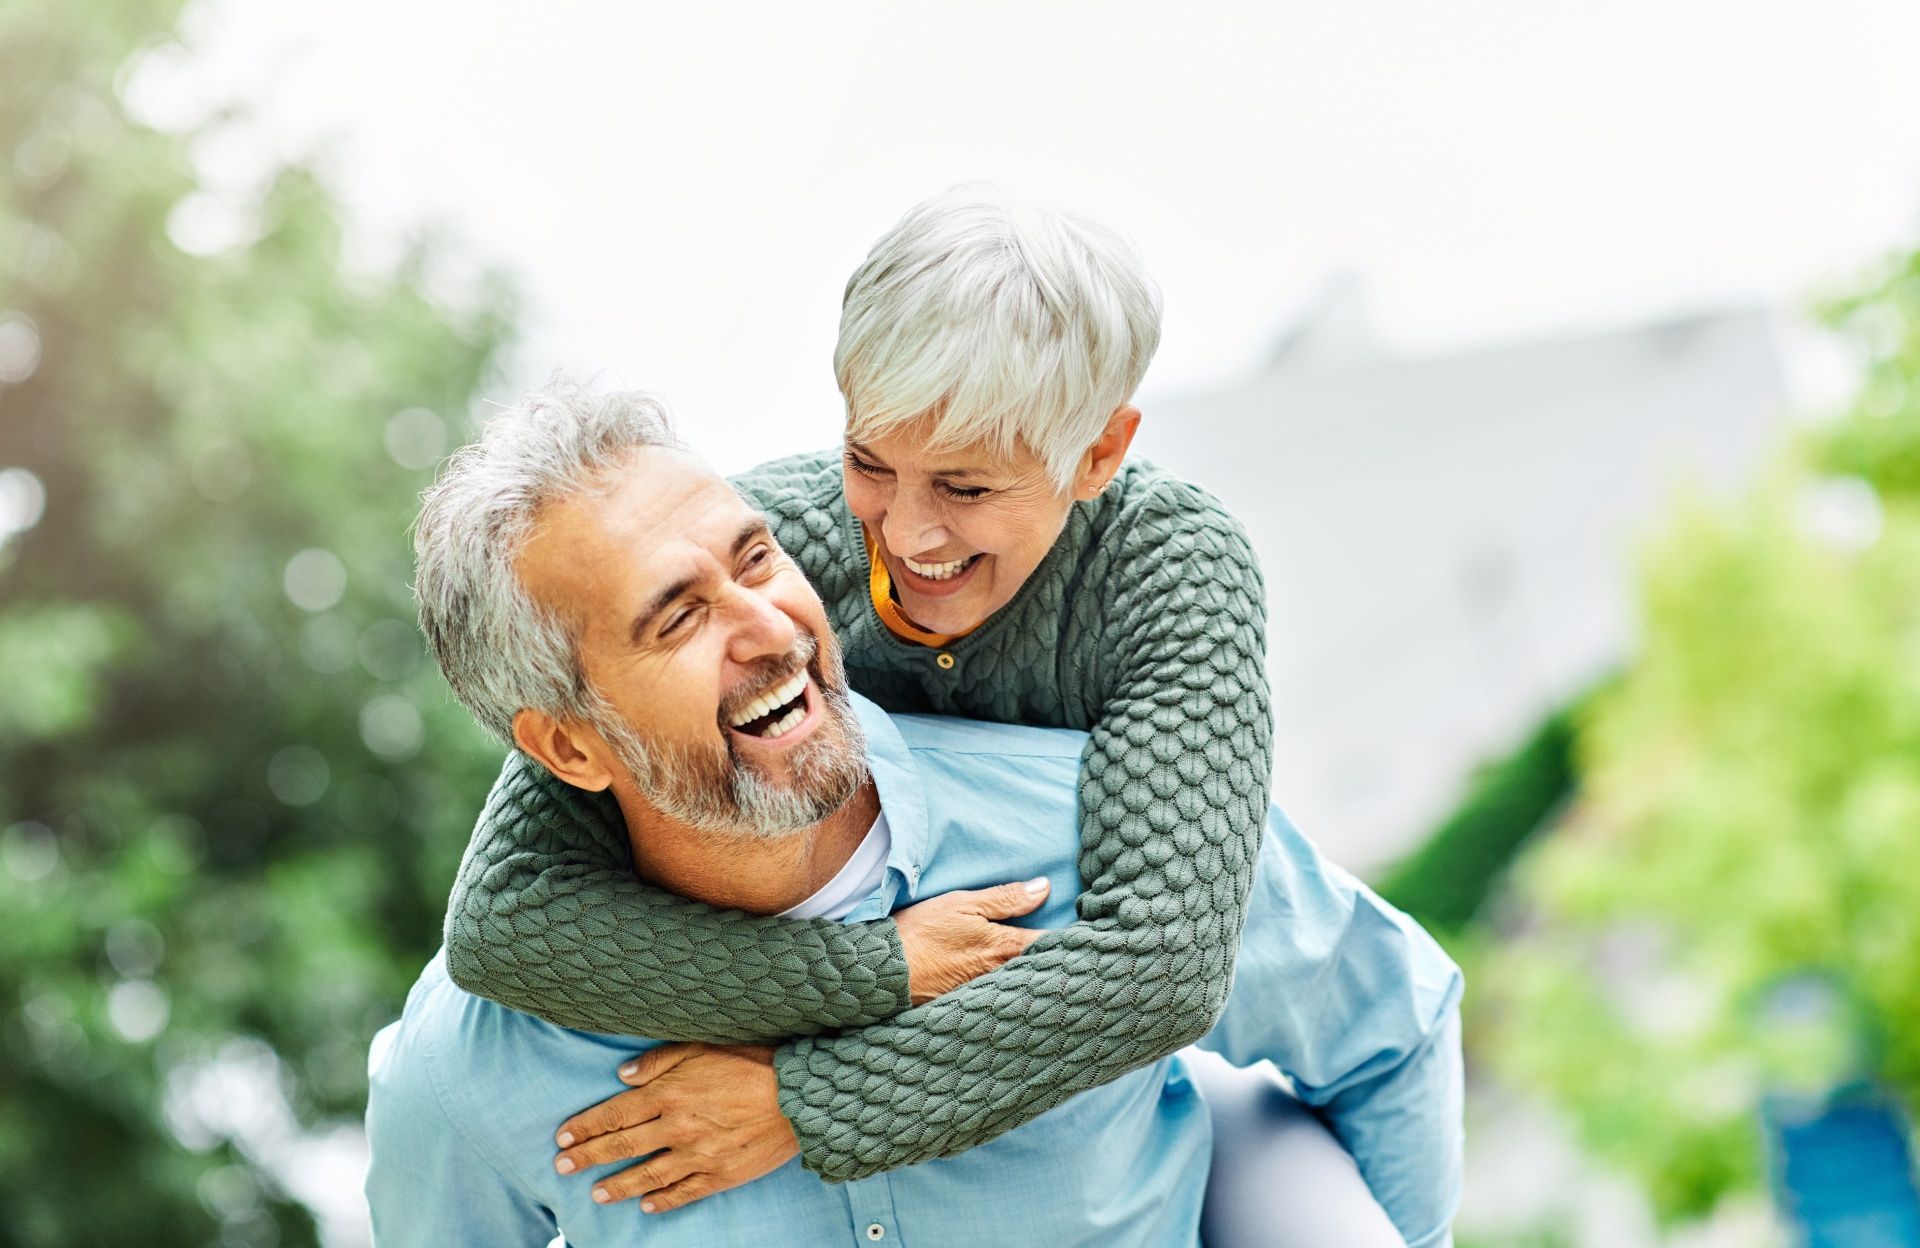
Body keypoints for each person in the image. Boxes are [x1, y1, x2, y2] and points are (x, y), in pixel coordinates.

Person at [367, 387, 1464, 1246]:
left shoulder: (1100, 834)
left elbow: (1392, 1029)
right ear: (567, 745)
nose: (768, 626)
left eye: (758, 558)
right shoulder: (475, 1073)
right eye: (678, 616)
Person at [439, 184, 1280, 1194]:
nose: (908, 534)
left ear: (1098, 451)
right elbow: (505, 920)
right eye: (870, 461)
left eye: (966, 487)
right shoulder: (763, 551)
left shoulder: (1169, 568)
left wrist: (804, 1100)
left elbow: (1161, 969)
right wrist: (875, 972)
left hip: (1198, 1084)